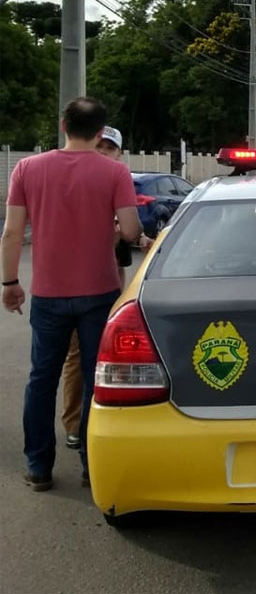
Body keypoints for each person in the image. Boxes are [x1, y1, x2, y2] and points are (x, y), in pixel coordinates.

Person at [1, 100, 142, 492]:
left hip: (47, 294)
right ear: (101, 133)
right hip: (99, 292)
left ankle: (39, 466)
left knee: (41, 379)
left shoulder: (27, 168)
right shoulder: (115, 171)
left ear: (63, 124)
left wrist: (10, 283)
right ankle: (89, 464)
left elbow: (12, 233)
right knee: (99, 380)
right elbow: (130, 231)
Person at [60, 126, 145, 451]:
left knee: (105, 360)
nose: (103, 152)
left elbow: (129, 230)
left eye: (109, 148)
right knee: (78, 357)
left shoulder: (115, 181)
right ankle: (76, 425)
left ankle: (97, 422)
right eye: (99, 145)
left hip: (110, 285)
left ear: (119, 154)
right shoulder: (75, 182)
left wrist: (137, 238)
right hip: (75, 286)